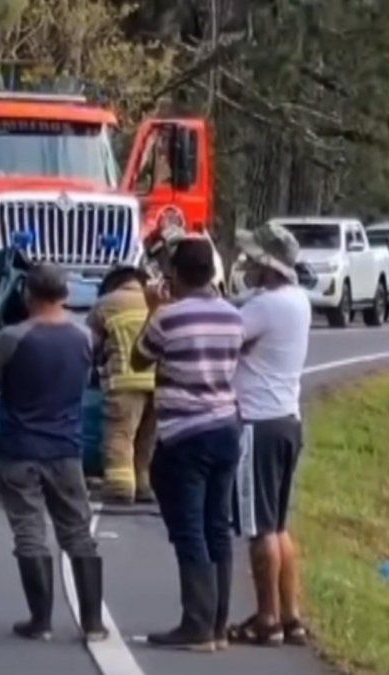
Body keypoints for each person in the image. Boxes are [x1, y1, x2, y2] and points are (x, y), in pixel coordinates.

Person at [0, 263, 106, 644]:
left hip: (20, 446)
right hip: (66, 446)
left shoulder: (12, 337)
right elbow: (84, 380)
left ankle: (41, 621)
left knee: (29, 531)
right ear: (66, 294)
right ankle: (93, 623)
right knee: (77, 530)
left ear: (26, 294)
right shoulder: (85, 337)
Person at [132, 236, 244, 652]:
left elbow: (139, 359)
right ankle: (218, 625)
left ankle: (195, 623)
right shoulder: (233, 316)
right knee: (219, 526)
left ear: (176, 274)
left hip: (184, 433)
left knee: (190, 527)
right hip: (226, 425)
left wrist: (153, 309)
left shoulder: (169, 317)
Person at [226, 222, 311, 647]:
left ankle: (267, 618)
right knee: (278, 526)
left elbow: (228, 338)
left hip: (257, 423)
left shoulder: (265, 307)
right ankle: (291, 616)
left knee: (258, 527)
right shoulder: (297, 300)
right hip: (287, 419)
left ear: (269, 265)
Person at [87, 265, 157, 505]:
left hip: (124, 381)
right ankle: (143, 485)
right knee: (146, 438)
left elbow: (90, 347)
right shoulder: (157, 301)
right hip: (160, 383)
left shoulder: (105, 304)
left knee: (120, 434)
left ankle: (119, 487)